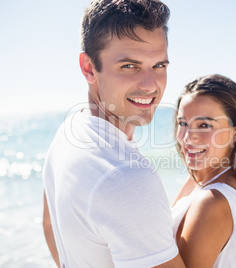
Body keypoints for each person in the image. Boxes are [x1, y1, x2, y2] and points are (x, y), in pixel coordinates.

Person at [42, 0, 185, 267]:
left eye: (159, 66)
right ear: (88, 68)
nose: (150, 85)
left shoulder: (68, 132)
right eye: (129, 66)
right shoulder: (127, 178)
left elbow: (50, 225)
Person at [171, 74, 236, 268]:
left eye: (204, 125)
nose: (188, 138)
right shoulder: (200, 181)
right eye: (183, 123)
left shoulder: (212, 201)